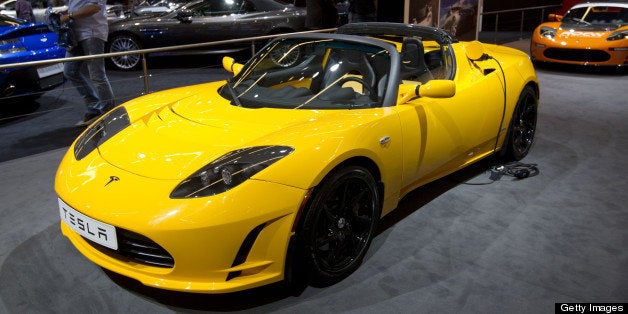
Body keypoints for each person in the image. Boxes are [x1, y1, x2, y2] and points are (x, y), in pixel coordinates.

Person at [60, 0, 115, 126]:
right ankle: (94, 108)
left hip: (92, 33)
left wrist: (69, 16)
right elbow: (80, 6)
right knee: (70, 71)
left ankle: (108, 114)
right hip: (76, 34)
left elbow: (93, 8)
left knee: (97, 75)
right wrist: (66, 13)